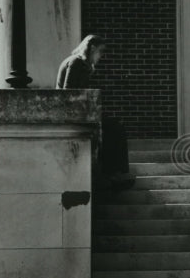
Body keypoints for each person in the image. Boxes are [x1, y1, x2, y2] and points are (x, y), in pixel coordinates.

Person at [56, 34, 134, 189]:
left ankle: (114, 172)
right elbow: (67, 92)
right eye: (100, 51)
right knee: (115, 128)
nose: (101, 56)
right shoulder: (76, 62)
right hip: (73, 115)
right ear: (91, 48)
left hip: (78, 113)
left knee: (112, 127)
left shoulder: (79, 64)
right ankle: (115, 172)